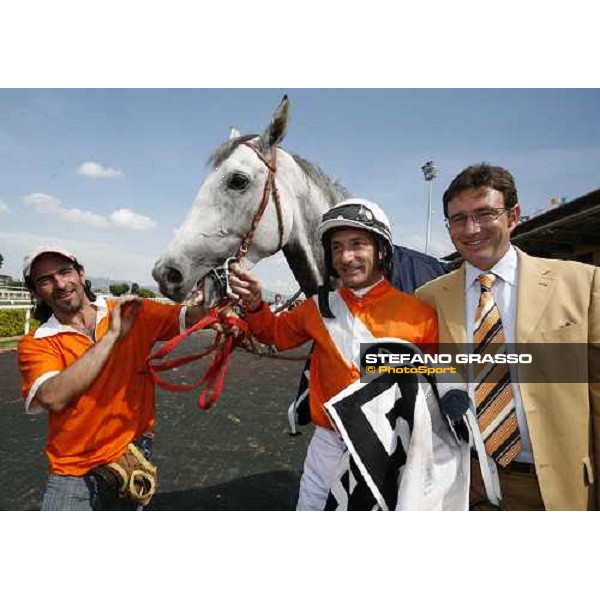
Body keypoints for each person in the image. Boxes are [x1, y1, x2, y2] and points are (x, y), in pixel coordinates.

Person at [229, 199, 466, 510]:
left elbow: (439, 383)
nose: (346, 256)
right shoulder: (316, 307)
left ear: (381, 250)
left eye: (358, 244)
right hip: (327, 445)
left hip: (393, 448)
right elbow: (274, 334)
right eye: (337, 247)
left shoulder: (420, 315)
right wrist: (254, 305)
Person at [415, 163, 600, 510]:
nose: (471, 229)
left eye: (485, 213)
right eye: (458, 219)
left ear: (513, 216)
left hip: (554, 489)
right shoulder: (429, 297)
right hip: (463, 483)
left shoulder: (584, 284)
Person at [18, 246, 210, 510]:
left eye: (65, 272)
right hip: (73, 468)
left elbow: (194, 317)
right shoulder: (36, 343)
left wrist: (210, 290)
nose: (60, 283)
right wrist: (112, 337)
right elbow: (53, 396)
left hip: (130, 453)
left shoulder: (133, 311)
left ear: (81, 274)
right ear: (35, 291)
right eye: (45, 280)